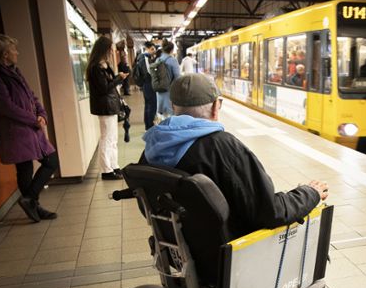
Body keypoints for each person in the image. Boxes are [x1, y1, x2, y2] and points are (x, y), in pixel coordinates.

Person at [140, 74, 327, 239]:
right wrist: (310, 193)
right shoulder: (222, 147)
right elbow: (270, 212)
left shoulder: (152, 148)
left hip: (182, 251)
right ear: (215, 106)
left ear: (173, 107)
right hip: (229, 258)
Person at [0, 34, 59, 222]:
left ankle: (31, 202)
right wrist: (33, 119)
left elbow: (32, 96)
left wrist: (41, 114)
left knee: (46, 162)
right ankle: (32, 202)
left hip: (29, 128)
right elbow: (5, 106)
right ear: (5, 54)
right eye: (14, 50)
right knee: (29, 167)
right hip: (15, 131)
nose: (17, 53)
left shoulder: (13, 71)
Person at [87, 35, 128, 180]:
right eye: (110, 50)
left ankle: (114, 166)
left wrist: (116, 76)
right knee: (106, 138)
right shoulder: (95, 68)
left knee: (113, 138)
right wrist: (118, 78)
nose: (112, 52)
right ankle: (106, 170)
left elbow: (107, 84)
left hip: (109, 105)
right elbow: (105, 88)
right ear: (103, 50)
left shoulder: (102, 66)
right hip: (105, 107)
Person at [156, 40, 181, 120]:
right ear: (172, 50)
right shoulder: (173, 60)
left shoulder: (158, 60)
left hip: (160, 91)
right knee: (171, 116)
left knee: (163, 116)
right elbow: (178, 77)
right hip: (170, 91)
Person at [136, 42, 157, 130]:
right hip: (148, 84)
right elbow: (148, 72)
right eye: (152, 49)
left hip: (146, 84)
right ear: (147, 49)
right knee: (151, 105)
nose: (153, 51)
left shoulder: (142, 57)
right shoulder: (144, 57)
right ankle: (149, 126)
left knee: (148, 105)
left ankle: (148, 125)